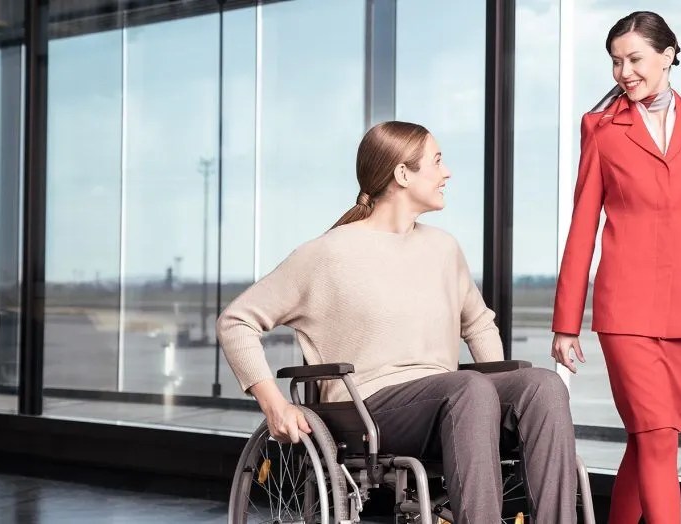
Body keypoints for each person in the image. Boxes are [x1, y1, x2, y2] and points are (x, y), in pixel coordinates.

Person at [217, 121, 577, 524]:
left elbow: (477, 324)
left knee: (542, 385)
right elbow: (236, 321)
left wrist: (498, 390)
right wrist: (274, 404)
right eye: (437, 161)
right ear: (403, 174)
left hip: (451, 399)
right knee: (469, 388)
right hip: (370, 410)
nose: (448, 173)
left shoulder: (443, 248)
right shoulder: (326, 255)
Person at [551, 11, 681, 524]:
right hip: (626, 311)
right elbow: (582, 227)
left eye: (634, 59)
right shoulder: (602, 129)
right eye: (615, 62)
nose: (623, 72)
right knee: (656, 439)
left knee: (650, 442)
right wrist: (565, 323)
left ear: (668, 55)